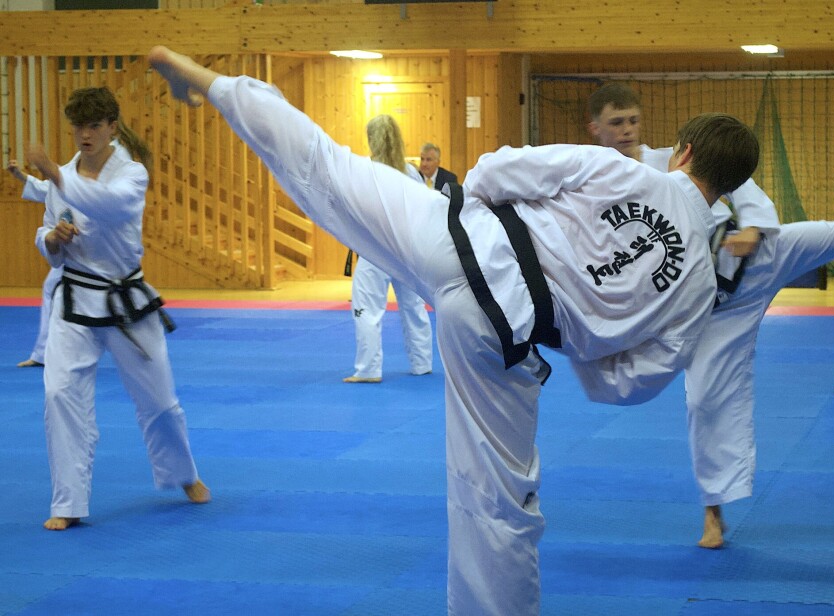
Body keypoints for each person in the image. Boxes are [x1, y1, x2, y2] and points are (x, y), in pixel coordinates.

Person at [148, 45, 760, 615]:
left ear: (682, 152)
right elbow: (629, 385)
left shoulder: (622, 170)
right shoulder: (698, 286)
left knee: (326, 165)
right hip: (503, 335)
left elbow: (500, 167)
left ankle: (211, 83)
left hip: (457, 240)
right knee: (498, 505)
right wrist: (582, 342)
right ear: (730, 189)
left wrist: (478, 216)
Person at [587, 81, 834, 549]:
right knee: (704, 402)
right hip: (709, 309)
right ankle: (713, 511)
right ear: (595, 129)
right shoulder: (596, 181)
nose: (627, 130)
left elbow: (740, 182)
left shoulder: (671, 160)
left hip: (758, 260)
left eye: (633, 120)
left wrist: (755, 227)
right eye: (616, 123)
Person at [28, 85, 210, 531]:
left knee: (160, 401)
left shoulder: (131, 174)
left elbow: (108, 206)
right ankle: (68, 501)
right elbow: (48, 230)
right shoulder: (62, 176)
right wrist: (52, 239)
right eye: (78, 126)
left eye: (94, 126)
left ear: (112, 127)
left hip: (126, 301)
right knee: (58, 395)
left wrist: (55, 176)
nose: (85, 135)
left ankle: (183, 474)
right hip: (75, 300)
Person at [344, 115, 433, 383]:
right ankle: (422, 363)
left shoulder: (363, 170)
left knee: (366, 309)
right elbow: (425, 211)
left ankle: (368, 369)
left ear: (371, 139)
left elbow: (354, 211)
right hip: (407, 249)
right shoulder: (410, 173)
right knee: (414, 307)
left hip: (376, 250)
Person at [5, 158, 60, 368]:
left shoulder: (76, 180)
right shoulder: (63, 182)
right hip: (72, 253)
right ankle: (42, 354)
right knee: (52, 289)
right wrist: (19, 175)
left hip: (88, 250)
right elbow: (44, 188)